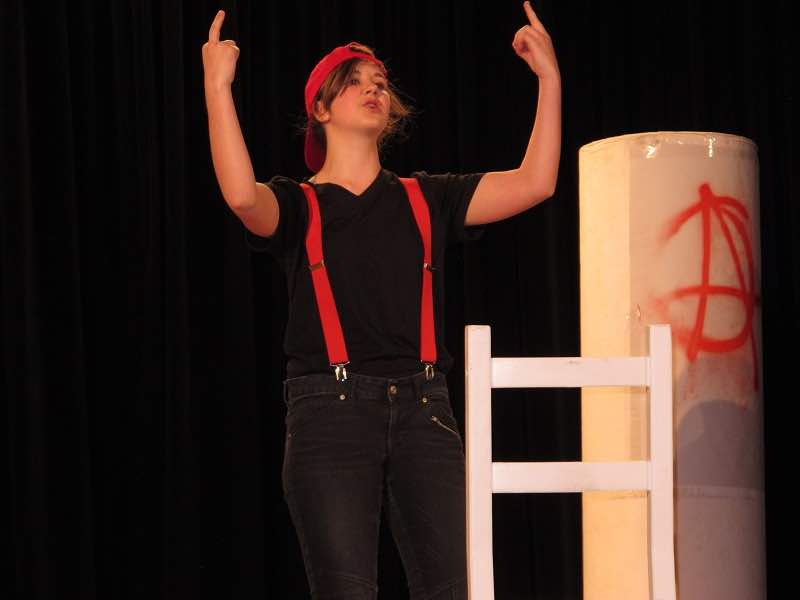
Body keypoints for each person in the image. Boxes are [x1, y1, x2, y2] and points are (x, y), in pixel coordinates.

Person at [202, 2, 560, 598]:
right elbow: (242, 197)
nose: (374, 89)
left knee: (456, 589)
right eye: (355, 82)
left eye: (380, 83)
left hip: (427, 412)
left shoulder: (427, 198)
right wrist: (218, 86)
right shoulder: (298, 205)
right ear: (321, 110)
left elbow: (536, 182)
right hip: (329, 413)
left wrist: (549, 79)